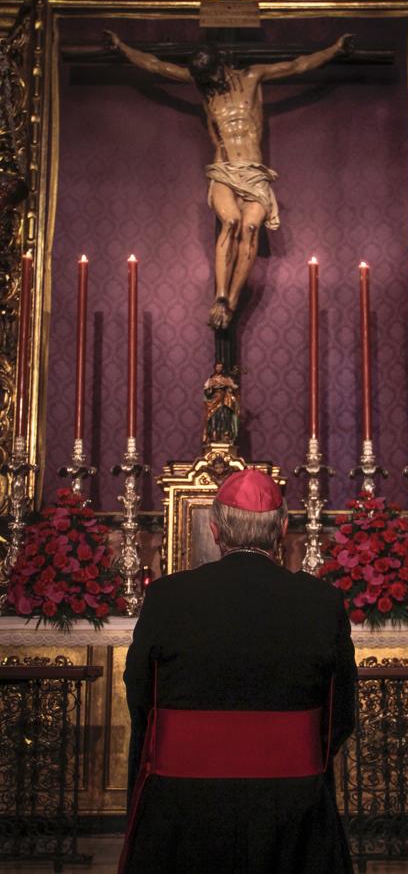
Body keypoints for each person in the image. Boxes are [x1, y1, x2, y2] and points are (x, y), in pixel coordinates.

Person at [120, 467, 357, 874]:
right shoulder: (321, 601)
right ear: (282, 528)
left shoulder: (167, 596)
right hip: (291, 802)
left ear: (214, 529)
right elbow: (341, 710)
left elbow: (141, 697)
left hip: (183, 801)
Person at [104, 31, 353, 329]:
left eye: (211, 76)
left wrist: (335, 49)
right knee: (231, 222)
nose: (209, 83)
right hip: (224, 168)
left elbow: (298, 65)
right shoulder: (205, 86)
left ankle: (231, 300)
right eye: (203, 79)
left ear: (221, 64)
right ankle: (220, 295)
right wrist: (122, 47)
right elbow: (157, 66)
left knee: (250, 228)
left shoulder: (252, 76)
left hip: (254, 170)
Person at [203, 360, 240, 444]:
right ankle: (214, 436)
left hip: (224, 401)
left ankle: (225, 435)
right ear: (215, 368)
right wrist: (211, 388)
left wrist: (229, 386)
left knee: (224, 417)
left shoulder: (226, 379)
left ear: (222, 368)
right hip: (214, 401)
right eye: (217, 367)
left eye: (220, 367)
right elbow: (206, 392)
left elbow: (234, 388)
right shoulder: (211, 379)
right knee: (214, 418)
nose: (219, 368)